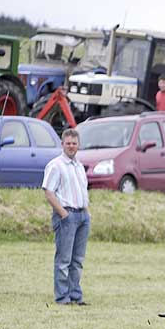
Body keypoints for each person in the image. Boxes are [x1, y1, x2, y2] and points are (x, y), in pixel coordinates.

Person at [42, 128, 90, 306]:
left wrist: (87, 212)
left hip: (82, 216)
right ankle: (62, 297)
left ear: (78, 145)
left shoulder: (79, 166)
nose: (71, 146)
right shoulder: (55, 165)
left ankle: (76, 295)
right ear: (62, 144)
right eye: (68, 143)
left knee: (77, 260)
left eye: (74, 143)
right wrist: (64, 214)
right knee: (64, 260)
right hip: (67, 216)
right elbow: (48, 192)